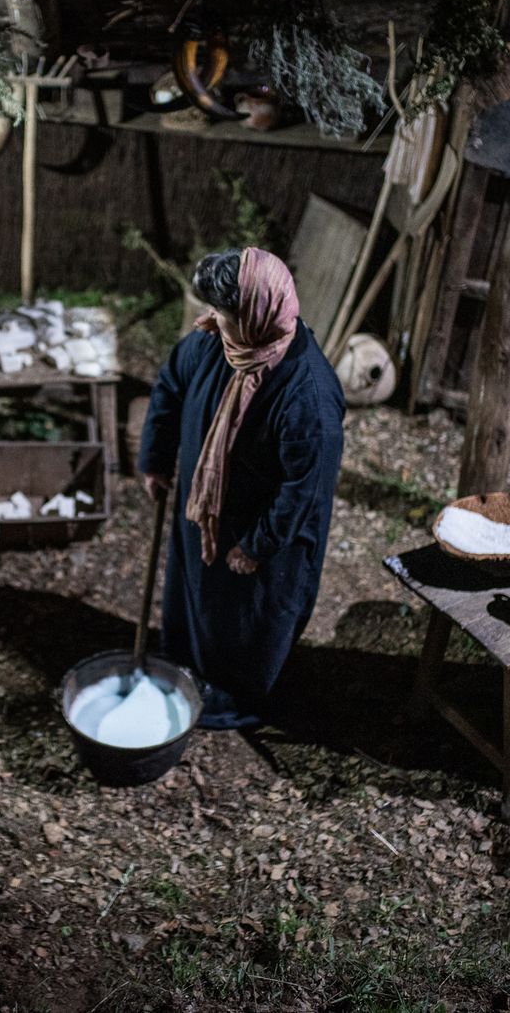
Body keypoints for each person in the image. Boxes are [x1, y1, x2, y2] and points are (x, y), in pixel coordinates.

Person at [138, 248, 345, 730]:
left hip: (261, 541)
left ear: (257, 313)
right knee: (194, 598)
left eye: (224, 314)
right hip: (205, 516)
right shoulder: (218, 343)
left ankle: (235, 696)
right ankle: (190, 670)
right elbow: (171, 385)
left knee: (248, 622)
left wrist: (257, 545)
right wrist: (156, 458)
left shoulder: (308, 397)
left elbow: (303, 490)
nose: (213, 320)